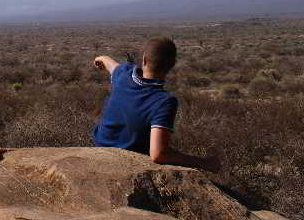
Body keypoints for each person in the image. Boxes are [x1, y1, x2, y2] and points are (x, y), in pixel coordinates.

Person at [92, 37, 220, 172]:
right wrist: (205, 163)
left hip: (100, 145)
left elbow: (111, 65)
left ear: (144, 60)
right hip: (126, 158)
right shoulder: (163, 102)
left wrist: (101, 58)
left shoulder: (124, 73)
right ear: (171, 66)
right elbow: (158, 154)